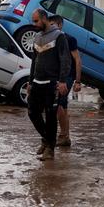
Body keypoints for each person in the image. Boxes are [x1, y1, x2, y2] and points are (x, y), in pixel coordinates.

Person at [27, 9, 71, 161]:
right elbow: (34, 61)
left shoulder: (59, 36)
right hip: (37, 82)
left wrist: (63, 81)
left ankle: (50, 150)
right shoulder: (37, 37)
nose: (34, 24)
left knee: (51, 116)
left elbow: (65, 59)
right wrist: (30, 81)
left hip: (52, 83)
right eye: (33, 21)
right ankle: (47, 139)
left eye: (36, 21)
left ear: (44, 18)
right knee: (32, 112)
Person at [48, 15, 82, 147]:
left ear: (60, 25)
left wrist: (78, 81)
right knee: (63, 107)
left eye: (53, 25)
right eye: (49, 25)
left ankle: (62, 136)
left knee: (59, 105)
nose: (51, 28)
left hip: (67, 76)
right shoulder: (50, 38)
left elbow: (78, 60)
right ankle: (65, 137)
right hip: (56, 76)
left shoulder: (69, 39)